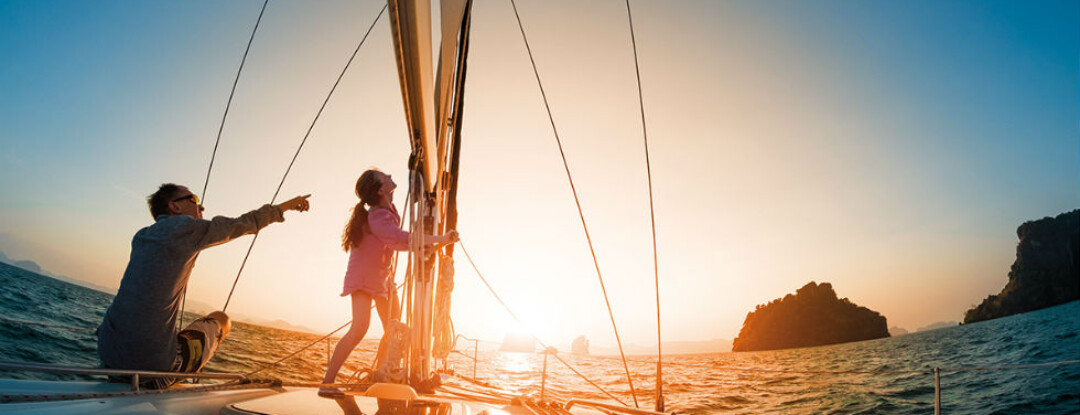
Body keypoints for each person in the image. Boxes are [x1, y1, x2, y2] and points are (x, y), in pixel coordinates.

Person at [96, 183, 311, 389]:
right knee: (222, 320)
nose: (201, 206)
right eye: (194, 199)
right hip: (152, 368)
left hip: (108, 353)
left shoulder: (141, 236)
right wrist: (287, 206)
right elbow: (244, 222)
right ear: (175, 206)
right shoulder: (187, 228)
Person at [320, 169, 457, 395]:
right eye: (384, 176)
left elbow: (398, 243)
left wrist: (431, 243)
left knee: (393, 328)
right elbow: (400, 239)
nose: (390, 175)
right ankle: (327, 382)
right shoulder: (377, 216)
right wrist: (439, 240)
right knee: (360, 327)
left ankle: (386, 374)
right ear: (381, 189)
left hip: (383, 279)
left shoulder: (386, 211)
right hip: (364, 278)